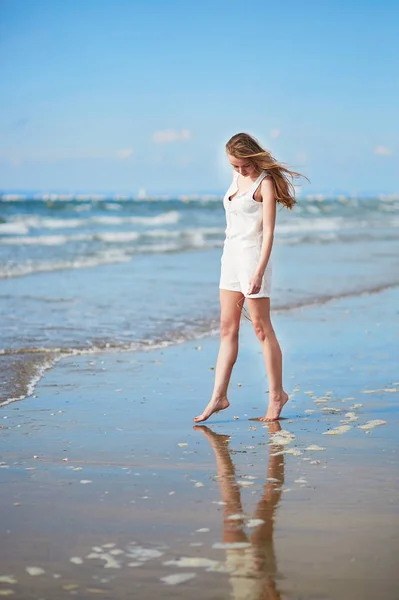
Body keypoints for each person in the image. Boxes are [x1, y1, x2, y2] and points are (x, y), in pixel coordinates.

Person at [194, 132, 308, 423]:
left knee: (260, 328)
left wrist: (258, 271)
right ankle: (218, 397)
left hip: (252, 259)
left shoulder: (264, 183)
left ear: (254, 158)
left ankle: (276, 396)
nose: (240, 171)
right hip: (229, 258)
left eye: (244, 165)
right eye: (235, 166)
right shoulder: (236, 180)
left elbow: (268, 232)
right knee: (226, 329)